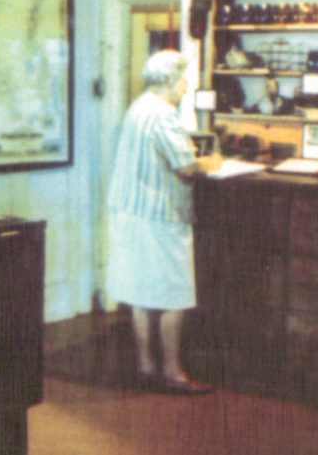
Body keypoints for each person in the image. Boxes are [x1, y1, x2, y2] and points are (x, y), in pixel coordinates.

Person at [105, 50, 222, 394]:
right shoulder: (165, 115)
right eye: (184, 80)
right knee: (175, 293)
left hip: (129, 210)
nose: (186, 87)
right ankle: (172, 373)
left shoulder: (138, 107)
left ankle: (146, 365)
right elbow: (186, 167)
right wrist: (214, 162)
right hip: (160, 215)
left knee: (141, 291)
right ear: (170, 81)